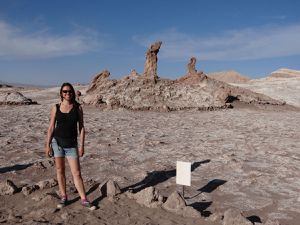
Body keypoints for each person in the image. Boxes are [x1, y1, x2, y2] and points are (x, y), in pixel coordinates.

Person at [45, 82, 95, 210]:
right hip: (57, 143)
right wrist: (48, 145)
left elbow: (82, 127)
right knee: (60, 171)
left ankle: (84, 199)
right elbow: (51, 127)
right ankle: (63, 197)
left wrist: (82, 146)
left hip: (72, 144)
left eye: (69, 91)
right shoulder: (55, 107)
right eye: (65, 91)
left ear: (73, 92)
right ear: (61, 93)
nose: (67, 93)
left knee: (77, 173)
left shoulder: (78, 107)